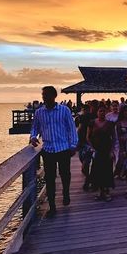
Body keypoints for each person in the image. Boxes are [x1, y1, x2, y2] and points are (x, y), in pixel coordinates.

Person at [29, 85, 79, 217]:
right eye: (43, 95)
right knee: (49, 178)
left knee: (65, 174)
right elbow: (35, 128)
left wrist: (73, 145)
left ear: (53, 96)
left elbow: (71, 128)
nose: (44, 97)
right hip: (48, 149)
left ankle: (66, 193)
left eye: (46, 95)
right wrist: (33, 137)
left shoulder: (64, 110)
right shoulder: (40, 112)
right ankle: (52, 206)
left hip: (63, 148)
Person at [88, 105, 116, 201]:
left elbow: (114, 138)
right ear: (97, 112)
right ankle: (100, 192)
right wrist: (92, 148)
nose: (102, 113)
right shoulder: (92, 123)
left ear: (106, 112)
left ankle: (106, 192)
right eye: (100, 111)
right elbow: (88, 137)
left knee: (107, 171)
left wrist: (112, 151)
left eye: (104, 111)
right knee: (97, 171)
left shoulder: (110, 124)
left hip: (107, 150)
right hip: (97, 150)